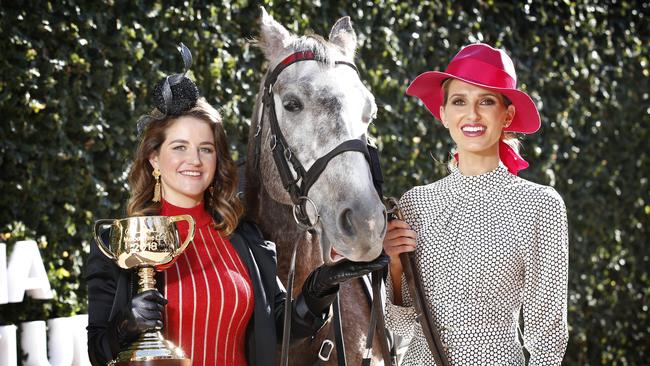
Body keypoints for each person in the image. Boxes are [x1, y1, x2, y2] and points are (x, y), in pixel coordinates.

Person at [86, 45, 388, 366]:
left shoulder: (245, 240)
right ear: (153, 158)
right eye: (179, 147)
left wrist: (318, 290)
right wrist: (124, 327)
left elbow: (280, 333)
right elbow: (97, 351)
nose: (194, 160)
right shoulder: (119, 245)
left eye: (206, 148)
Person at [383, 43, 569, 365]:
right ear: (443, 114)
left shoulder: (541, 206)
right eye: (459, 101)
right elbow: (400, 324)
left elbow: (547, 335)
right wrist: (395, 264)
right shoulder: (415, 203)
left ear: (507, 115)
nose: (472, 115)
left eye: (486, 101)